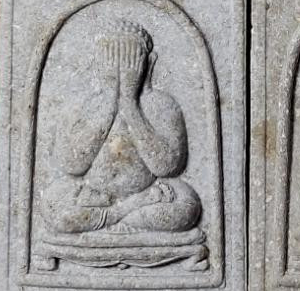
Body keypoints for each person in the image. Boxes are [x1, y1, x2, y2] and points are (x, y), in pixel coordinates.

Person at [41, 20, 200, 234]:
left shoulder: (160, 104)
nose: (120, 71)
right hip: (95, 195)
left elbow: (166, 167)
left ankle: (110, 217)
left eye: (129, 62)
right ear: (97, 64)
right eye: (111, 60)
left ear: (149, 63)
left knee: (187, 206)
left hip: (149, 190)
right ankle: (125, 211)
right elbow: (71, 165)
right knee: (52, 205)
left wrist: (129, 103)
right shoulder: (81, 105)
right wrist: (110, 100)